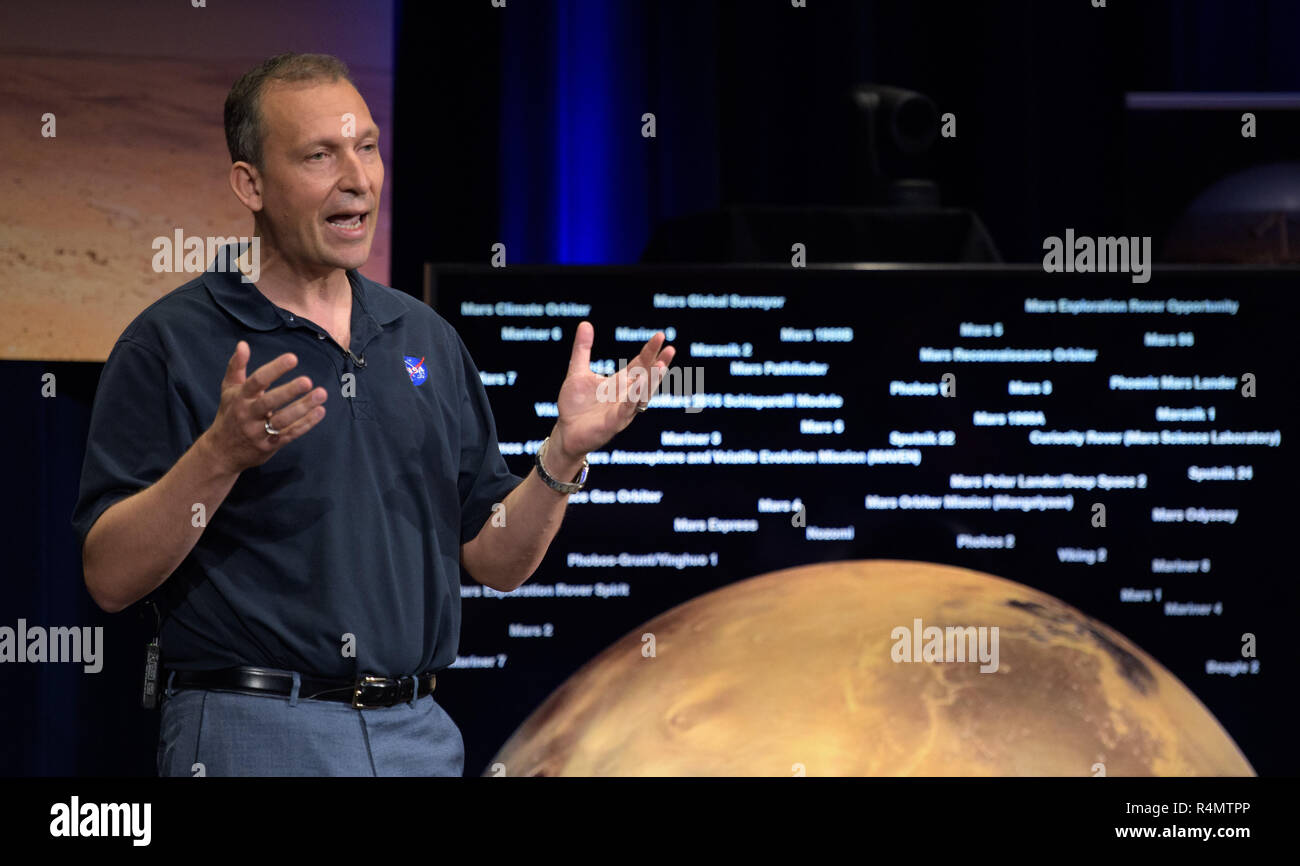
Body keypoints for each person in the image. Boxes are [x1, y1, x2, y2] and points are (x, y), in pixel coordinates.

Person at [70, 52, 674, 777]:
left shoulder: (424, 339)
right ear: (250, 183)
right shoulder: (170, 342)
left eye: (367, 147)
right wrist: (218, 456)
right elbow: (108, 575)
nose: (357, 179)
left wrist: (563, 456)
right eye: (320, 156)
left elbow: (493, 559)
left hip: (418, 735)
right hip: (254, 733)